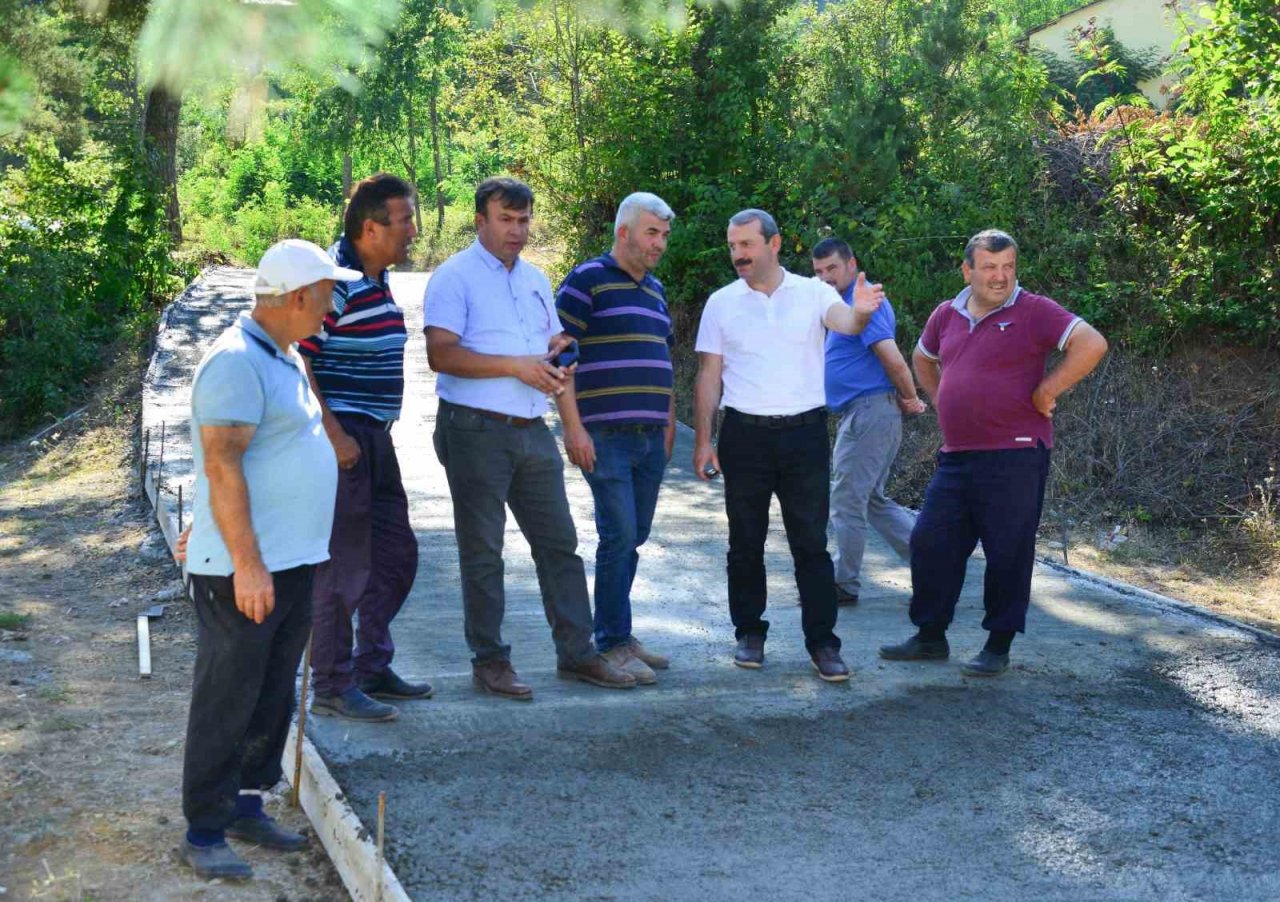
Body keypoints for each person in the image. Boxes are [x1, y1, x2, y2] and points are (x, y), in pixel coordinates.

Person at [180, 239, 359, 880]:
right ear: (299, 296)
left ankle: (245, 803)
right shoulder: (234, 361)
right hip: (247, 570)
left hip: (292, 559)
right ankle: (203, 827)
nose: (333, 306)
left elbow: (251, 461)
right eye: (328, 293)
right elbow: (221, 462)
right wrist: (244, 564)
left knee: (269, 693)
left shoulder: (280, 356)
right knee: (228, 695)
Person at [425, 176, 635, 699]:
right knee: (483, 552)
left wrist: (566, 395)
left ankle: (578, 654)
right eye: (506, 219)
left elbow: (551, 351)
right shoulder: (454, 277)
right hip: (474, 429)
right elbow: (440, 355)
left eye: (523, 220)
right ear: (480, 221)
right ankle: (490, 661)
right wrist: (514, 367)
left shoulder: (537, 279)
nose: (517, 231)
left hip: (531, 428)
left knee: (560, 545)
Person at [879, 229, 1107, 676]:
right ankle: (930, 637)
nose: (1000, 277)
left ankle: (997, 645)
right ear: (968, 270)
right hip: (959, 455)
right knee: (930, 542)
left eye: (1008, 267)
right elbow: (922, 357)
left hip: (1016, 455)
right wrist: (944, 398)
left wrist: (1048, 389)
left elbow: (1092, 344)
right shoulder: (946, 314)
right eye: (989, 267)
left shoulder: (1034, 310)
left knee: (1007, 550)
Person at [693, 209, 885, 682]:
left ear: (773, 244)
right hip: (744, 435)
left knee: (810, 544)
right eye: (733, 245)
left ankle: (823, 643)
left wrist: (861, 309)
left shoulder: (813, 292)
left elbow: (848, 322)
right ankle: (749, 633)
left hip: (804, 435)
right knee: (744, 542)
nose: (738, 254)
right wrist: (704, 440)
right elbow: (709, 375)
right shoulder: (721, 303)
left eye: (746, 245)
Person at [299, 173, 431, 723]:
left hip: (375, 438)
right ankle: (331, 684)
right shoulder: (337, 282)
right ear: (371, 227)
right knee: (343, 567)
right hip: (344, 440)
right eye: (404, 221)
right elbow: (298, 356)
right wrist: (333, 434)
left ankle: (370, 664)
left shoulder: (374, 279)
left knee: (396, 557)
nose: (413, 232)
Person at [554, 192, 678, 686]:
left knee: (635, 536)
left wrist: (668, 424)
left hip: (651, 438)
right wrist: (573, 425)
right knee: (619, 535)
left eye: (665, 236)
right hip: (604, 434)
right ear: (623, 232)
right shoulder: (587, 281)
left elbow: (662, 359)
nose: (660, 244)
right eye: (652, 233)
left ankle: (621, 637)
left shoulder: (656, 290)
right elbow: (557, 354)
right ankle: (609, 641)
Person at [812, 237, 926, 607]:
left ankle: (844, 585)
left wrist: (909, 397)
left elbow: (891, 356)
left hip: (869, 412)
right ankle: (934, 565)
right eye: (818, 272)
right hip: (861, 413)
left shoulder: (865, 305)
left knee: (847, 500)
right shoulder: (842, 307)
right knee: (871, 500)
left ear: (851, 264)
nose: (826, 277)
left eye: (832, 268)